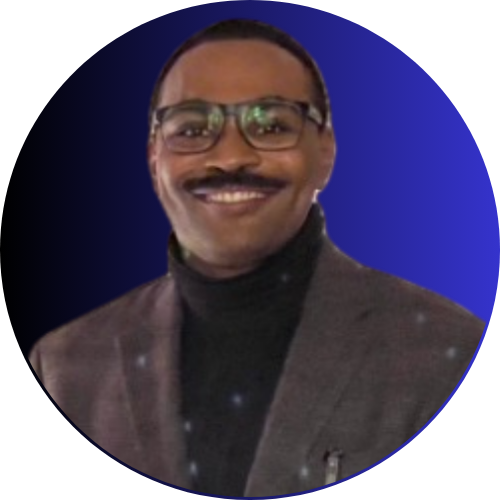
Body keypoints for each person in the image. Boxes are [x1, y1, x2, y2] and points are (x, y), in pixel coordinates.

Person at [28, 19, 485, 496]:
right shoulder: (63, 368)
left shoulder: (447, 354)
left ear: (325, 152)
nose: (230, 157)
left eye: (271, 126)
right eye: (192, 128)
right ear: (154, 160)